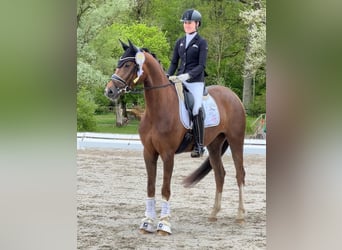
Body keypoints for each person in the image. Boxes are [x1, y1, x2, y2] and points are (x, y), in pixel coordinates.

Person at [167, 9, 208, 158]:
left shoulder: (202, 42)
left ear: (197, 24)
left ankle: (199, 145)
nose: (187, 25)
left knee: (196, 108)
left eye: (189, 23)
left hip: (195, 82)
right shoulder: (180, 42)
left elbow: (201, 66)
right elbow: (173, 62)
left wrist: (188, 75)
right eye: (185, 23)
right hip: (179, 80)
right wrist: (167, 75)